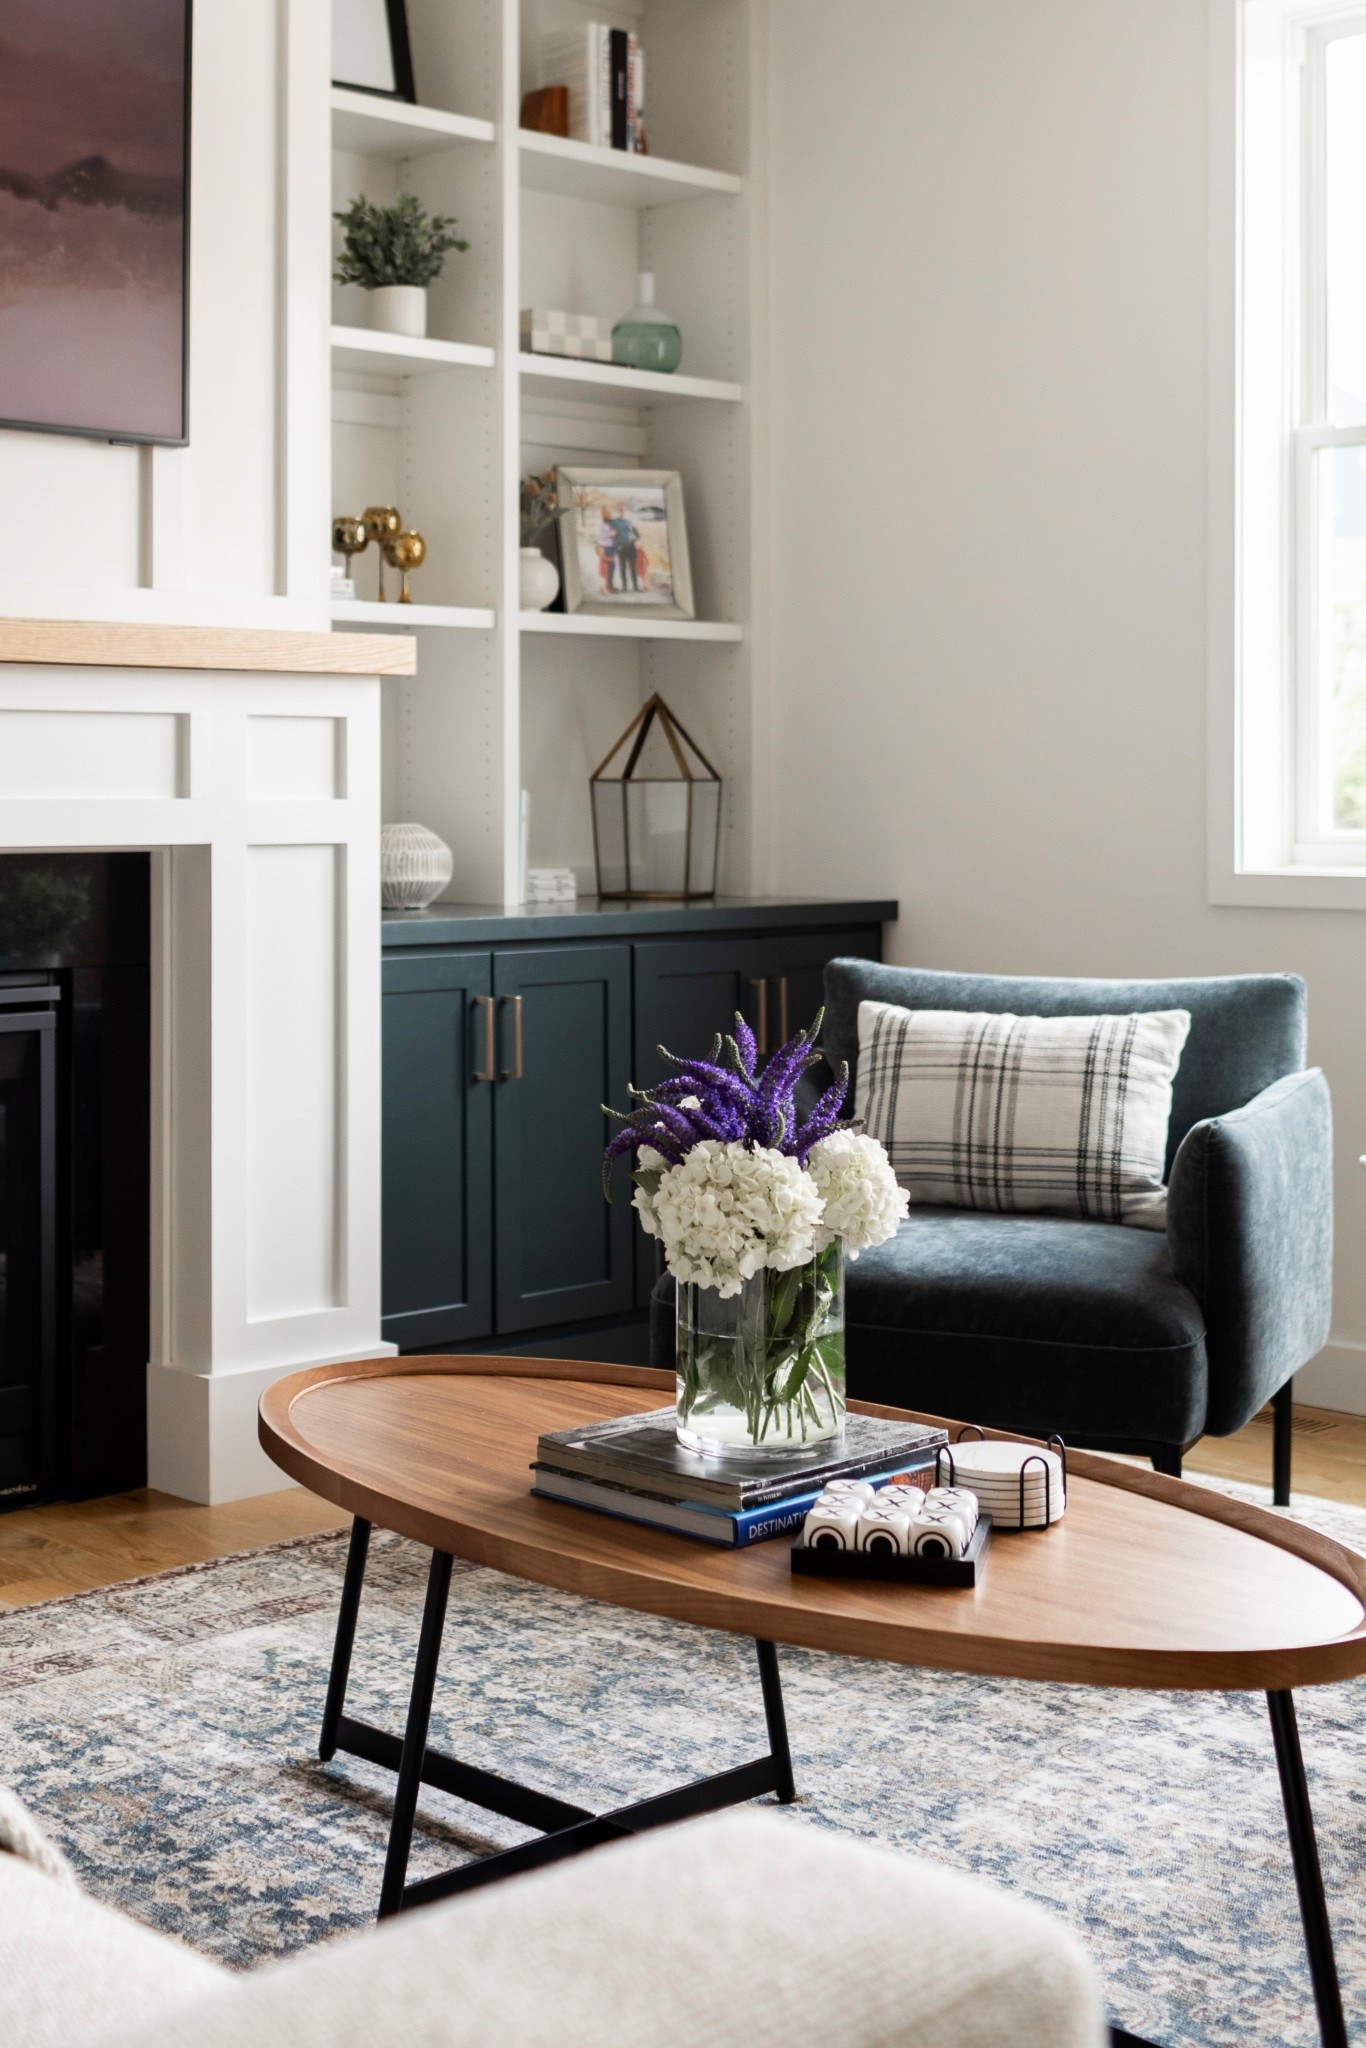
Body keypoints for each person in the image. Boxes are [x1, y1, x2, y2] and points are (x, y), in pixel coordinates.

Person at [611, 512, 641, 592]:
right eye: (619, 509)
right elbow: (612, 536)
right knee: (622, 567)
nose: (621, 511)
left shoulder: (629, 522)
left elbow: (637, 533)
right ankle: (624, 587)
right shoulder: (614, 522)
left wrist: (637, 541)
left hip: (631, 547)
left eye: (622, 509)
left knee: (633, 567)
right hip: (621, 548)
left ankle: (635, 586)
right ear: (617, 511)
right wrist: (617, 546)